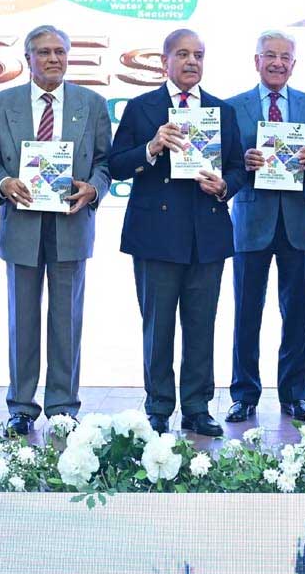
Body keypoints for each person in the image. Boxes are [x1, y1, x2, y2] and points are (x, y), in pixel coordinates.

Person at [105, 28, 246, 436]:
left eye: (199, 55)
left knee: (202, 325)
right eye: (182, 54)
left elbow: (238, 168)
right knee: (158, 325)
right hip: (156, 234)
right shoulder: (141, 108)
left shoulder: (223, 111)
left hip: (207, 233)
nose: (191, 62)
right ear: (164, 61)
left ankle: (198, 407)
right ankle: (159, 406)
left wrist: (225, 186)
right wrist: (151, 147)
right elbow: (115, 165)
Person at [0, 25, 111, 435]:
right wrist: (3, 183)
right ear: (28, 59)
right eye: (43, 52)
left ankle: (62, 407)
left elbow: (106, 164)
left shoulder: (91, 104)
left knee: (66, 320)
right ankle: (21, 406)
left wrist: (94, 189)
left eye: (60, 51)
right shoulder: (0, 104)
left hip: (71, 225)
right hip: (21, 224)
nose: (53, 59)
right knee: (21, 321)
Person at [229, 31, 305, 425]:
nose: (278, 63)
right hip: (251, 220)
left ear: (294, 64)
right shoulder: (233, 107)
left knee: (298, 314)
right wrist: (243, 159)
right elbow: (225, 166)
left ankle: (295, 395)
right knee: (246, 312)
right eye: (270, 55)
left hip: (299, 222)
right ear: (256, 61)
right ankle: (244, 394)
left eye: (286, 57)